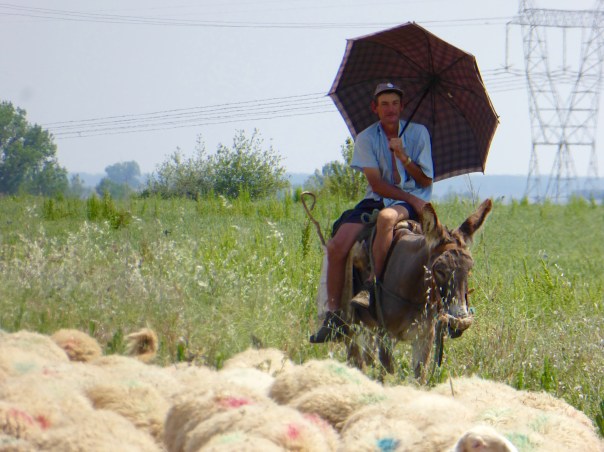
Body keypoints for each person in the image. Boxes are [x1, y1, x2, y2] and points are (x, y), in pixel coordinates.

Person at [310, 82, 433, 343]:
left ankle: (372, 284)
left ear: (402, 106)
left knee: (391, 220)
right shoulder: (366, 138)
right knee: (336, 246)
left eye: (395, 104)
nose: (391, 109)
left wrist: (404, 157)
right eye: (384, 104)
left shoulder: (419, 134)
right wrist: (407, 196)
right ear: (374, 108)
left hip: (414, 202)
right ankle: (334, 317)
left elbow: (425, 181)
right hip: (377, 199)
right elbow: (376, 184)